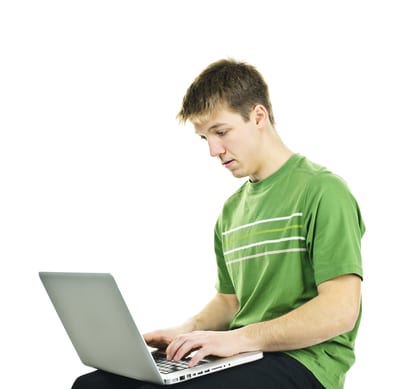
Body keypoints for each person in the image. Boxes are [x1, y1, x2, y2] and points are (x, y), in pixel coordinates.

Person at [72, 59, 365, 389]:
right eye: (204, 138)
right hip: (243, 354)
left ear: (258, 116)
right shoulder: (231, 211)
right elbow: (230, 302)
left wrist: (238, 339)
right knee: (94, 386)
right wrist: (188, 330)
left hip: (305, 363)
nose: (214, 150)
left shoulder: (323, 191)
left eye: (221, 132)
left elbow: (341, 310)